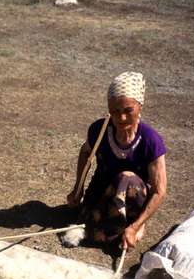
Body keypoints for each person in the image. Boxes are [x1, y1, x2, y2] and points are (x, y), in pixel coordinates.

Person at [66, 72, 167, 251]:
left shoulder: (151, 141)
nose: (121, 118)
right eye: (114, 112)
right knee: (88, 226)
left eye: (128, 110)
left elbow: (159, 191)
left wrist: (135, 226)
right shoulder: (99, 130)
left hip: (131, 202)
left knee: (127, 178)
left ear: (140, 106)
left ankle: (132, 226)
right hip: (101, 195)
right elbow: (85, 153)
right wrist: (78, 188)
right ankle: (110, 227)